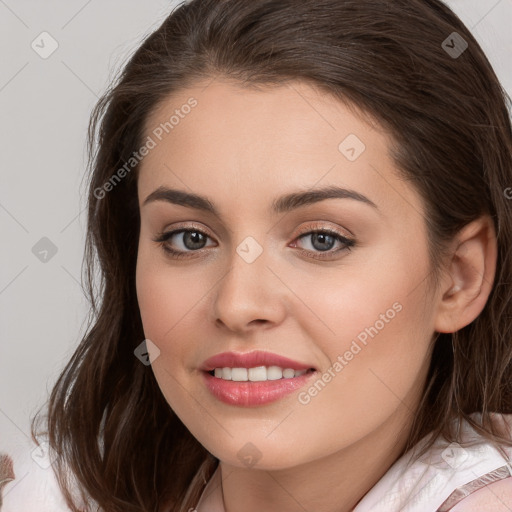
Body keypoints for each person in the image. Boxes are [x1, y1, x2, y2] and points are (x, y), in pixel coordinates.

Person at [2, 0, 512, 510]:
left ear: (458, 277)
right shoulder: (52, 493)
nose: (238, 304)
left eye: (322, 239)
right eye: (190, 238)